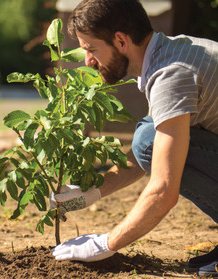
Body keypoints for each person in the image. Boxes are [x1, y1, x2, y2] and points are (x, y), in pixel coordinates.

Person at [49, 0, 218, 276]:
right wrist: (94, 191)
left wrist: (106, 243)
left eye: (91, 49)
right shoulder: (169, 53)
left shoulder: (170, 75)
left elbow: (164, 188)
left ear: (120, 40)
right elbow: (154, 152)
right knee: (149, 136)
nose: (88, 61)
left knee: (146, 138)